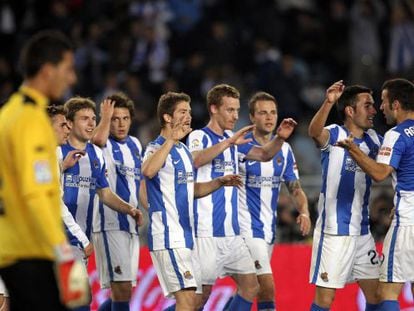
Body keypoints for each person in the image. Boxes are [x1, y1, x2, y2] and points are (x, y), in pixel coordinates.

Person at [186, 84, 297, 310]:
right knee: (200, 297)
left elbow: (264, 154)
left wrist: (280, 139)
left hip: (232, 233)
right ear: (214, 109)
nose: (235, 115)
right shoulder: (200, 136)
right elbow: (196, 160)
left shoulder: (233, 138)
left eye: (237, 110)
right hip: (206, 231)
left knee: (252, 286)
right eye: (230, 110)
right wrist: (228, 142)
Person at [0, 30, 88, 311]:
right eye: (68, 69)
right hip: (31, 249)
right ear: (48, 71)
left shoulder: (11, 113)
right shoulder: (33, 121)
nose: (72, 78)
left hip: (13, 245)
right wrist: (61, 249)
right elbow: (37, 193)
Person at [141, 91, 243, 311]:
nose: (188, 116)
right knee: (187, 300)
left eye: (189, 111)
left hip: (187, 236)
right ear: (167, 118)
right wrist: (171, 140)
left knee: (195, 301)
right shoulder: (155, 147)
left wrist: (219, 182)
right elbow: (148, 170)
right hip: (167, 236)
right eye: (182, 112)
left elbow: (191, 190)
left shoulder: (184, 151)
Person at [336, 78, 414, 311]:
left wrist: (353, 150)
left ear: (396, 105)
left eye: (384, 101)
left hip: (408, 223)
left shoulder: (396, 134)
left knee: (387, 290)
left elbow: (380, 173)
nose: (380, 107)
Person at [59, 96, 144, 310]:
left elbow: (105, 193)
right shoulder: (56, 151)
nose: (90, 123)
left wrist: (130, 209)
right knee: (80, 301)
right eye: (84, 119)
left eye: (93, 118)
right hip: (59, 239)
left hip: (81, 239)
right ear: (69, 123)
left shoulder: (96, 154)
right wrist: (60, 167)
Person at [308, 80, 382, 311]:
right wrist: (328, 102)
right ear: (350, 111)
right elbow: (314, 132)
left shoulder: (374, 140)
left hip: (362, 232)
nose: (374, 110)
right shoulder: (335, 133)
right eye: (367, 105)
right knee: (325, 300)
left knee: (377, 296)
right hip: (334, 232)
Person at [237, 91, 311, 311]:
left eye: (273, 112)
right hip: (245, 228)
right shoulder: (240, 144)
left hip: (269, 230)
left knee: (248, 291)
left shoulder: (285, 150)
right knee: (266, 287)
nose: (269, 117)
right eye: (262, 113)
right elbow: (263, 154)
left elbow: (295, 188)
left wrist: (304, 211)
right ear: (252, 117)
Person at [91, 93, 144, 311]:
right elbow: (96, 141)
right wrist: (104, 117)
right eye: (115, 119)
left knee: (123, 292)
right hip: (109, 223)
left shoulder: (135, 144)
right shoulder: (101, 145)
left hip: (130, 224)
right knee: (121, 289)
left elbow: (138, 185)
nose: (120, 124)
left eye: (125, 118)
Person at [47, 105, 93, 260]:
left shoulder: (54, 153)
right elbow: (55, 203)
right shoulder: (44, 157)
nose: (68, 130)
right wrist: (81, 238)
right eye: (62, 125)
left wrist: (61, 167)